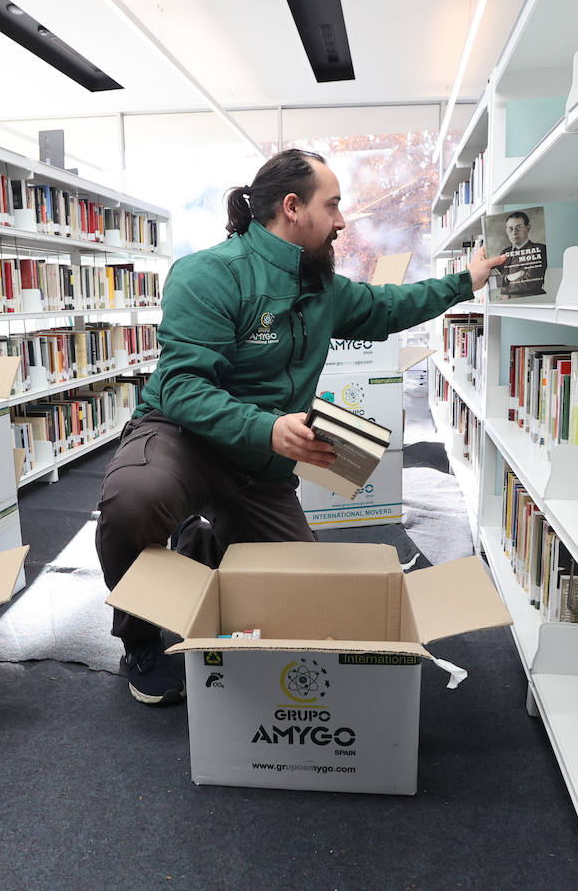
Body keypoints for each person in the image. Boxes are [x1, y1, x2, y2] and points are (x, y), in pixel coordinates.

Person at [95, 148, 508, 706]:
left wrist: (468, 280)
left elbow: (389, 306)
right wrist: (267, 427)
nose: (342, 222)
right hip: (184, 439)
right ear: (292, 208)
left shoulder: (324, 289)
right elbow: (185, 389)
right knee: (133, 499)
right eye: (332, 206)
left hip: (258, 467)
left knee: (302, 595)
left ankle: (202, 543)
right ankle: (139, 636)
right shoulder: (208, 275)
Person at [498, 210, 547, 298]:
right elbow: (496, 280)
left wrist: (502, 289)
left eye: (518, 228)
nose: (514, 232)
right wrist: (509, 277)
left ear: (528, 228)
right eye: (510, 229)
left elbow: (530, 283)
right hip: (505, 305)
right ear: (506, 230)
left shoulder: (539, 249)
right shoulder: (504, 253)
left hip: (529, 304)